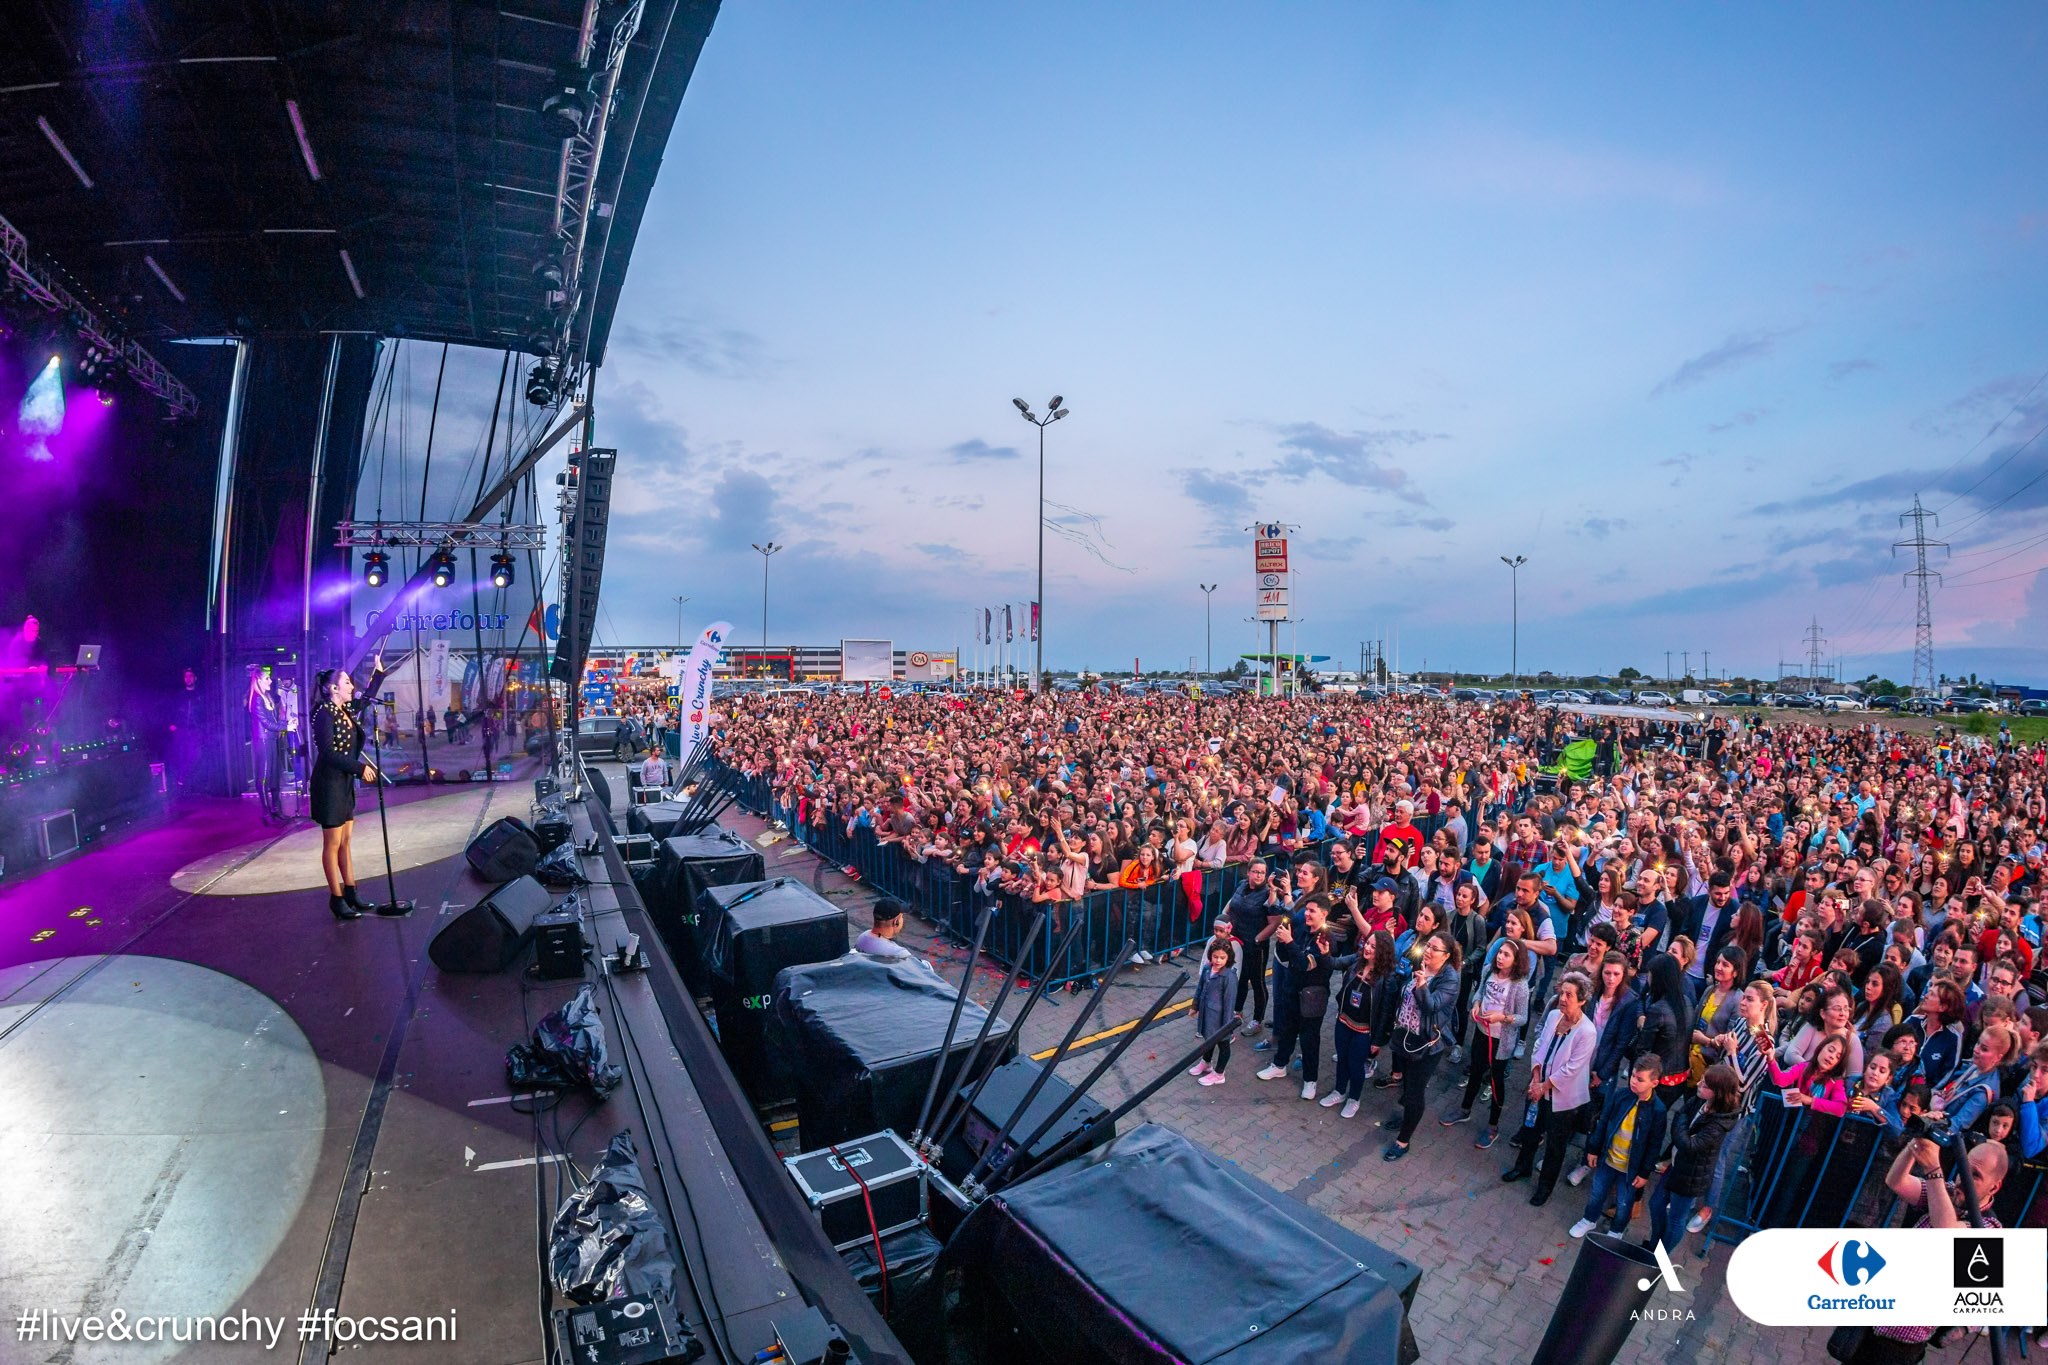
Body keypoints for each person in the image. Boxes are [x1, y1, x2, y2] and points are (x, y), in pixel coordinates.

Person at [1847, 1135, 2009, 1364]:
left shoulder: (1991, 1227)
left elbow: (1947, 1231)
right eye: (1964, 1169)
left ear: (1994, 1186)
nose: (1964, 1179)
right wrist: (1916, 1144)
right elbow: (1896, 1181)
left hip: (1902, 1340)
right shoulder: (1948, 1191)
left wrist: (1933, 1168)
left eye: (1975, 1175)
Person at [1504, 969, 1600, 1206]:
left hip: (1562, 1099)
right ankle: (1522, 1167)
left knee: (1555, 1146)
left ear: (1582, 1000)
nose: (1563, 998)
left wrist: (1543, 1087)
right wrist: (1535, 1078)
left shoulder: (1587, 1031)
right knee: (1530, 1130)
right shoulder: (1554, 1015)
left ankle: (1544, 1188)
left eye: (1569, 995)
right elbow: (1539, 1045)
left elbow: (1572, 1069)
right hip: (1538, 1086)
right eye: (1562, 993)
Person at [310, 657, 388, 920]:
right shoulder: (323, 715)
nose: (352, 686)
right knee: (332, 844)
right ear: (333, 688)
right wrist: (359, 768)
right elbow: (328, 753)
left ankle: (351, 892)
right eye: (346, 682)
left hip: (343, 784)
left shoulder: (345, 710)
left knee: (345, 842)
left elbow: (365, 700)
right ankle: (336, 898)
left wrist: (378, 674)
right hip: (329, 785)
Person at [1379, 930, 1461, 1161]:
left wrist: (1422, 983)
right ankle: (1405, 1118)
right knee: (1407, 1085)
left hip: (1426, 1044)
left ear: (1446, 955)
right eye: (1428, 946)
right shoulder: (1420, 963)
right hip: (1406, 1035)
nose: (1428, 950)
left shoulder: (1450, 979)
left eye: (1435, 948)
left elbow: (1430, 1006)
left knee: (1415, 1092)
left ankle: (1403, 1141)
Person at [1444, 937, 1532, 1147]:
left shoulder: (1520, 985)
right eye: (1500, 952)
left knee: (1495, 1080)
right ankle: (1464, 1109)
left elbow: (1523, 1018)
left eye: (1506, 955)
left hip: (1501, 1040)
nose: (1500, 957)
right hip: (1481, 1032)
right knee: (1475, 1071)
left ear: (1516, 960)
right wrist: (1476, 1005)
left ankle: (1493, 1126)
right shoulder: (1488, 972)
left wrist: (1502, 1017)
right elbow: (1480, 993)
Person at [1645, 1063, 1740, 1252]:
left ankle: (1660, 1256)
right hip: (1677, 1165)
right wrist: (1683, 1130)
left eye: (1705, 1085)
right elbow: (1681, 1114)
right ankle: (1655, 1245)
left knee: (1675, 1219)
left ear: (1717, 1093)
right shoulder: (1700, 1100)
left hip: (1691, 1177)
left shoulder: (1718, 1124)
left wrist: (1681, 1129)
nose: (1698, 1085)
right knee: (1656, 1204)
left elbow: (1688, 1144)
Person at [1570, 1055, 1668, 1239]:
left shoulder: (1658, 1111)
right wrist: (1593, 1149)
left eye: (1640, 1079)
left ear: (1654, 1083)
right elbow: (1604, 1121)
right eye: (1633, 1076)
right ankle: (1589, 1220)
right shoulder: (1621, 1095)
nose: (1633, 1081)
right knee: (1597, 1193)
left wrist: (1644, 1173)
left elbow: (1654, 1144)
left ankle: (1616, 1231)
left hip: (1631, 1169)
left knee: (1624, 1203)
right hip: (1608, 1159)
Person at [1325, 929, 1398, 1119]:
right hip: (1343, 1021)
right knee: (1342, 1059)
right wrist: (1325, 953)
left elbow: (1386, 1012)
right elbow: (1334, 963)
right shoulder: (1356, 960)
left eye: (1374, 946)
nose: (1367, 948)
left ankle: (1354, 1099)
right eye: (1367, 943)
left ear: (1383, 951)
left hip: (1364, 1030)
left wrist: (1378, 1040)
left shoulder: (1388, 977)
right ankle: (1339, 1091)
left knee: (1356, 1065)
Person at [1189, 941, 1239, 1086]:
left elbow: (1229, 1003)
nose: (1218, 961)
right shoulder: (1207, 969)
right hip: (1207, 1014)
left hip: (1220, 1018)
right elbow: (1200, 989)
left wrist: (1227, 1026)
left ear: (1228, 958)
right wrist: (1195, 1006)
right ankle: (1206, 1062)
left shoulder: (1229, 977)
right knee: (1208, 1039)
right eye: (1215, 956)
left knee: (1223, 1045)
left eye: (1222, 958)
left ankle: (1219, 1073)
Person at [246, 665, 290, 823]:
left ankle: (276, 809)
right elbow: (265, 723)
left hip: (271, 739)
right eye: (267, 678)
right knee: (264, 775)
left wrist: (287, 723)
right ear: (258, 680)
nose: (270, 681)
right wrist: (285, 727)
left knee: (275, 774)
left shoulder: (267, 697)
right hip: (263, 740)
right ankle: (266, 813)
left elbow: (273, 721)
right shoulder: (257, 699)